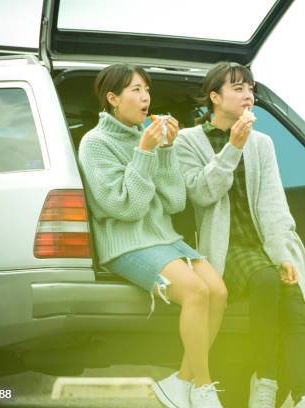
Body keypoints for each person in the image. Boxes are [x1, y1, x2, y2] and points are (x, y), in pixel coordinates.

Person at [78, 63, 227, 408]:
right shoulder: (94, 143)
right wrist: (145, 151)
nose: (145, 97)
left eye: (147, 90)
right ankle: (203, 389)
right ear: (113, 98)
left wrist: (165, 150)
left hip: (164, 237)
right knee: (195, 292)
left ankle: (182, 381)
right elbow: (124, 208)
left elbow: (174, 202)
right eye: (135, 90)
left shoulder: (148, 137)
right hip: (126, 243)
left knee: (217, 292)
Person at [174, 62, 305, 408]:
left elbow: (273, 204)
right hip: (225, 248)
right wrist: (232, 148)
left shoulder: (263, 143)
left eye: (250, 88)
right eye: (238, 88)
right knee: (266, 280)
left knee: (291, 297)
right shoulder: (187, 142)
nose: (248, 95)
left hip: (265, 244)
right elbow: (200, 194)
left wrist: (284, 254)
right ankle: (266, 379)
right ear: (215, 97)